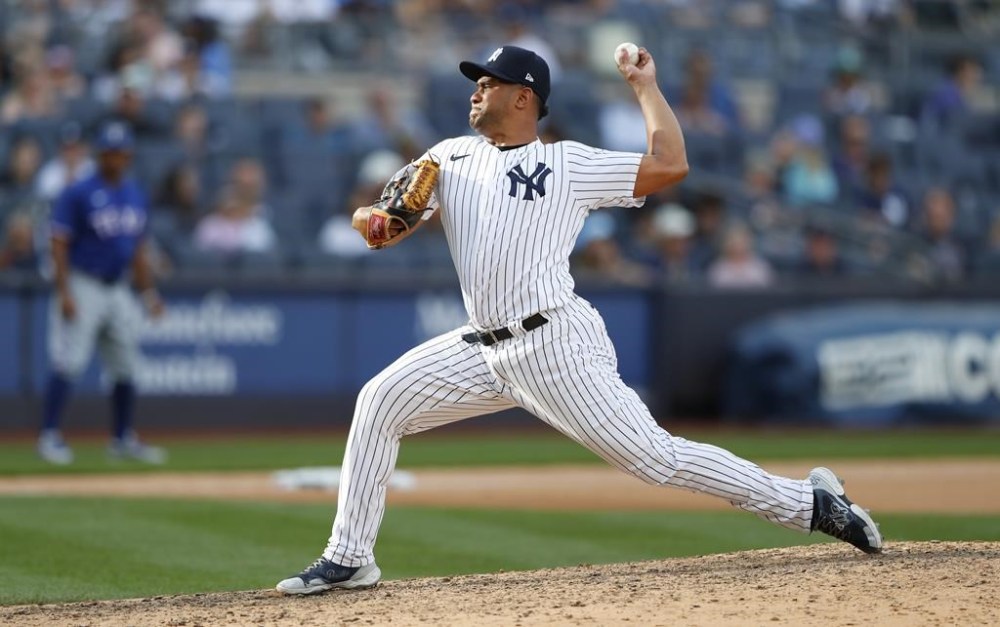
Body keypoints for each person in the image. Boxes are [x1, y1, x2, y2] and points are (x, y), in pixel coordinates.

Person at [275, 44, 882, 595]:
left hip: (553, 345)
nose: (475, 90)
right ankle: (350, 556)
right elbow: (383, 215)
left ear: (523, 97)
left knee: (655, 460)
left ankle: (810, 503)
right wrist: (374, 219)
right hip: (481, 349)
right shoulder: (449, 155)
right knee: (380, 400)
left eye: (488, 82)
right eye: (476, 81)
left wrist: (645, 86)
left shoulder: (568, 164)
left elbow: (670, 165)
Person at [36, 122, 167, 466]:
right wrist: (64, 291)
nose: (116, 158)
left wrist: (149, 294)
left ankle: (121, 438)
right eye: (110, 152)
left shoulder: (135, 193)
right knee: (69, 361)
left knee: (126, 365)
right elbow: (59, 243)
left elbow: (138, 250)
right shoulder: (78, 191)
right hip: (83, 281)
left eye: (121, 152)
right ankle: (49, 436)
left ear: (129, 155)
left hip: (118, 286)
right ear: (100, 154)